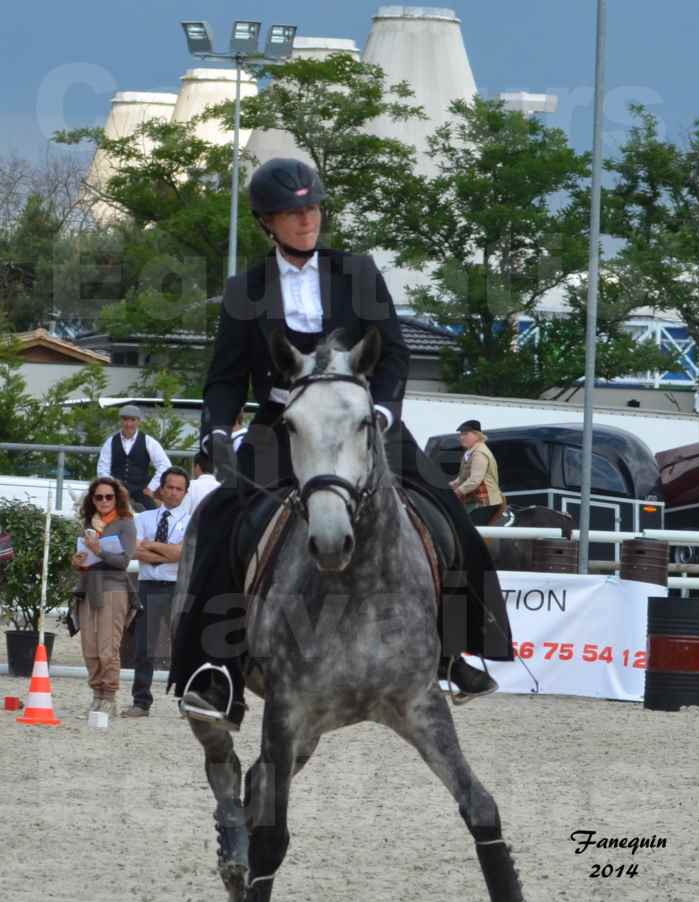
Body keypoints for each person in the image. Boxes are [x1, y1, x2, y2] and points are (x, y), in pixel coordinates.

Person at [171, 157, 511, 724]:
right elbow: (227, 376)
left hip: (361, 423)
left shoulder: (356, 271)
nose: (307, 220)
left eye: (313, 208)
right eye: (293, 212)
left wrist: (378, 409)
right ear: (267, 222)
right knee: (219, 520)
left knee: (448, 512)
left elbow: (395, 351)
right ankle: (216, 671)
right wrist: (215, 429)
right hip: (285, 425)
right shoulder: (245, 288)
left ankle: (456, 650)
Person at [121, 467, 190, 719]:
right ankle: (141, 701)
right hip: (149, 586)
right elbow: (132, 550)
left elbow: (181, 554)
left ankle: (185, 700)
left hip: (178, 588)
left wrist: (149, 545)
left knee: (182, 646)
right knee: (144, 647)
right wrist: (165, 551)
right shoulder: (142, 519)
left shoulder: (192, 521)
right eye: (169, 487)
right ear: (161, 488)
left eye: (178, 489)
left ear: (185, 493)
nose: (173, 493)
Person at [71, 477, 137, 717]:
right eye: (98, 497)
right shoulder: (89, 522)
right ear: (93, 499)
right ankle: (96, 696)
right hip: (89, 586)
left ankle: (109, 696)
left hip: (114, 588)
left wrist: (98, 550)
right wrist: (78, 561)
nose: (104, 501)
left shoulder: (126, 523)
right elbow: (85, 557)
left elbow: (124, 561)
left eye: (108, 496)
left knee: (108, 646)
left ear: (117, 498)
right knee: (89, 646)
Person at [97, 404, 172, 511]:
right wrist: (114, 486)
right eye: (125, 420)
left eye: (133, 420)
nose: (128, 424)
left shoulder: (148, 441)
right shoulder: (110, 442)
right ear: (121, 421)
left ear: (139, 421)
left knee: (152, 515)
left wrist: (151, 487)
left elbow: (165, 465)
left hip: (140, 492)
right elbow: (102, 469)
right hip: (115, 491)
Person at [450, 420, 505, 525]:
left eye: (466, 434)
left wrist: (457, 492)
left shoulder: (479, 453)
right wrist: (452, 484)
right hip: (475, 499)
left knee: (469, 527)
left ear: (477, 435)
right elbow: (463, 476)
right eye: (461, 434)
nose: (461, 437)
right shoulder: (470, 452)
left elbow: (474, 480)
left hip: (485, 501)